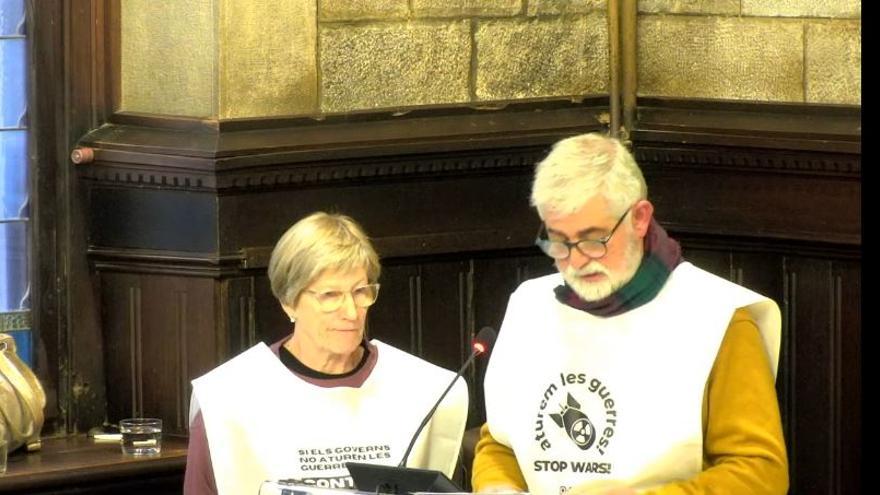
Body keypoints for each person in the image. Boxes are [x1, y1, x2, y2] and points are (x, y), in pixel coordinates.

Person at [472, 133, 788, 495]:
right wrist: (497, 486)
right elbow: (499, 443)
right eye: (559, 241)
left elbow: (761, 473)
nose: (575, 261)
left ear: (639, 218)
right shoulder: (531, 306)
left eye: (594, 239)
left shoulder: (716, 317)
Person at [184, 212, 468, 495]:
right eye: (330, 296)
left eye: (360, 292)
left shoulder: (429, 391)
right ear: (289, 301)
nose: (351, 312)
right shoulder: (228, 398)